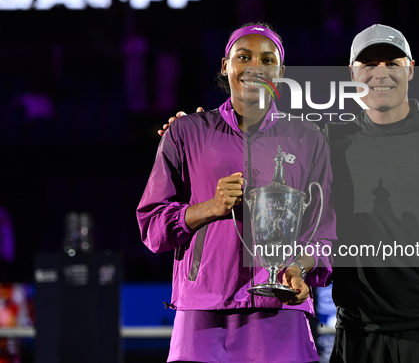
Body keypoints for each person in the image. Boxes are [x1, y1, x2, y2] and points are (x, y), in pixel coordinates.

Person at [160, 24, 419, 363]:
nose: (380, 73)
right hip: (357, 330)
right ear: (353, 74)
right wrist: (196, 131)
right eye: (369, 65)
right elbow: (261, 143)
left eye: (392, 63)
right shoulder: (329, 140)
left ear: (410, 70)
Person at [137, 23, 335, 363]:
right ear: (226, 65)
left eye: (267, 58)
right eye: (243, 56)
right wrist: (208, 208)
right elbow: (153, 227)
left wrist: (300, 269)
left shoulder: (308, 137)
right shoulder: (186, 132)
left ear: (280, 72)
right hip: (203, 311)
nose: (255, 66)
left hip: (281, 309)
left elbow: (327, 232)